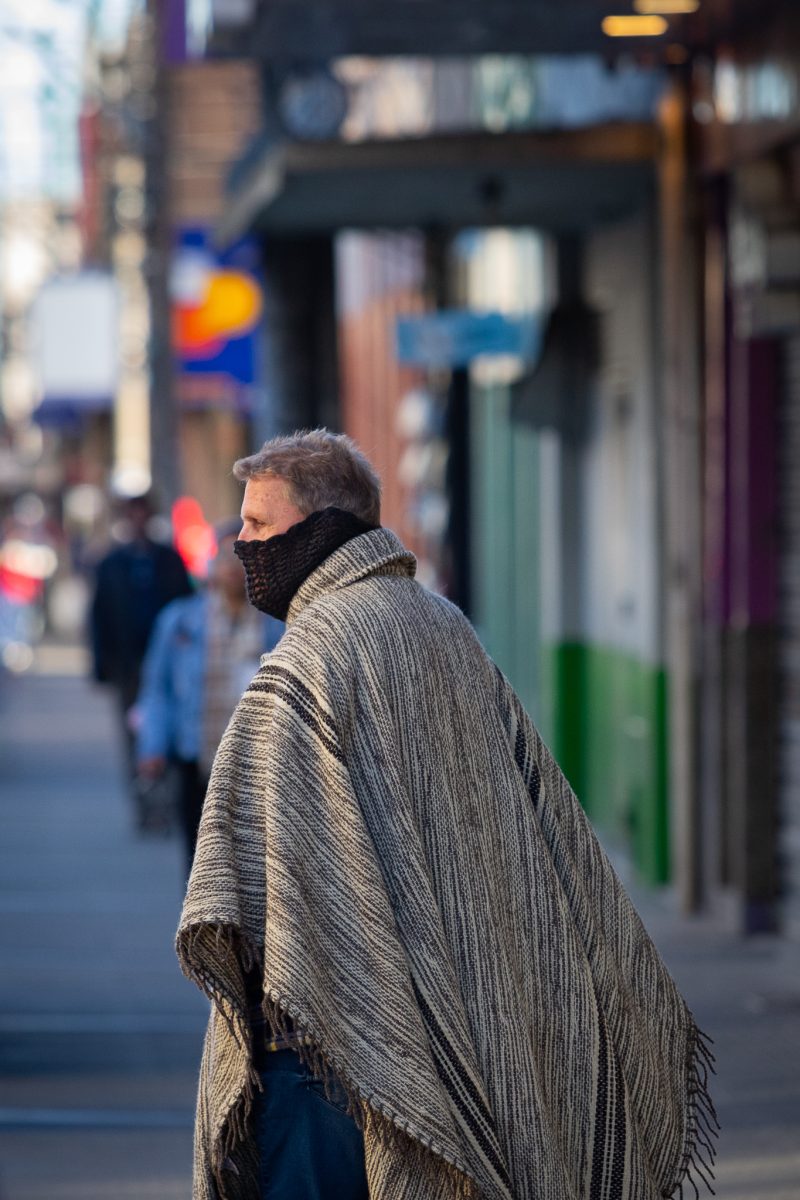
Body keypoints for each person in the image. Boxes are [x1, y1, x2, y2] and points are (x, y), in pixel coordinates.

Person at [177, 430, 717, 1200]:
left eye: (260, 523)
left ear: (322, 527)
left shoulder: (308, 661)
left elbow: (243, 875)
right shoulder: (445, 626)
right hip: (461, 1013)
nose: (243, 543)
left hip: (323, 1044)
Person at [136, 522, 284, 875]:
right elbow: (158, 690)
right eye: (226, 557)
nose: (233, 567)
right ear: (212, 563)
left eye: (242, 558)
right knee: (200, 865)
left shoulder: (276, 623)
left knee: (255, 868)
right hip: (196, 757)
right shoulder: (180, 621)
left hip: (258, 765)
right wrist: (153, 747)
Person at [89, 493, 192, 811]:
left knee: (169, 726)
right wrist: (102, 665)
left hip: (168, 662)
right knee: (134, 733)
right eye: (132, 514)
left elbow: (185, 605)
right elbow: (99, 616)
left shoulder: (169, 560)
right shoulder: (111, 564)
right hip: (128, 665)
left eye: (142, 513)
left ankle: (167, 798)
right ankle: (144, 800)